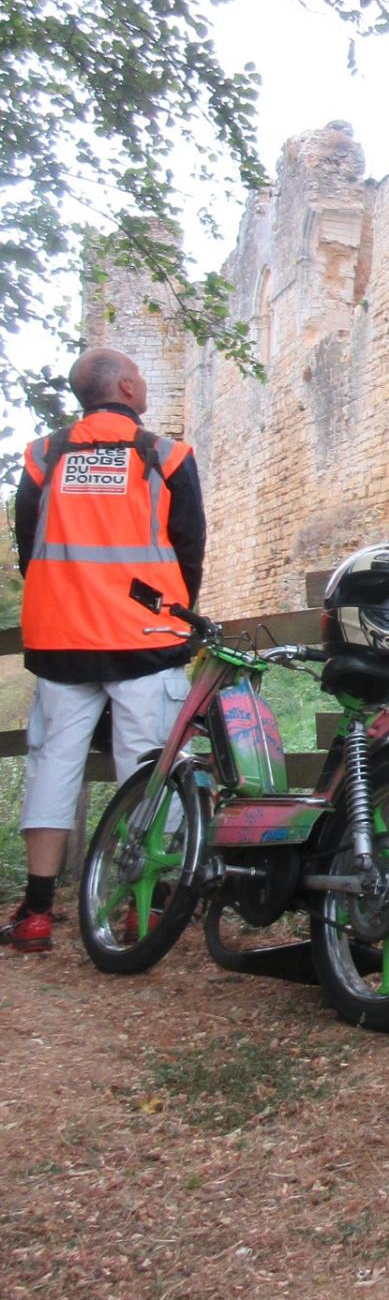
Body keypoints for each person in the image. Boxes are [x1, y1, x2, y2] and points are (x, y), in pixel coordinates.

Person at [2, 348, 206, 953]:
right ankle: (144, 909)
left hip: (61, 639)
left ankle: (37, 912)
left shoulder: (44, 456)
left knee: (53, 762)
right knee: (149, 768)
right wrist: (174, 612)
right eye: (139, 377)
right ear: (123, 385)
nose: (143, 385)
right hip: (145, 638)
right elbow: (188, 549)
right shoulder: (166, 457)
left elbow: (27, 542)